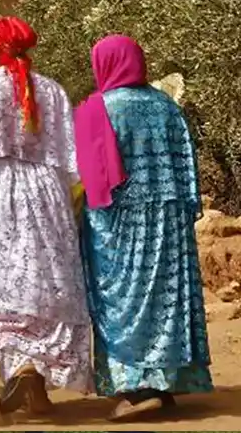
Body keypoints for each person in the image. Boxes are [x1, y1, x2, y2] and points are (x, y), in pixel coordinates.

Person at [0, 16, 92, 415]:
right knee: (45, 286)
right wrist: (70, 211)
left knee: (0, 286)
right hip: (47, 196)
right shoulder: (55, 92)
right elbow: (69, 161)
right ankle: (36, 383)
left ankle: (21, 365)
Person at [75, 34, 212, 419]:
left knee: (123, 300)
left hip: (119, 223)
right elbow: (187, 171)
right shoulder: (168, 108)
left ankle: (136, 387)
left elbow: (86, 178)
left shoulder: (96, 110)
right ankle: (166, 381)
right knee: (166, 300)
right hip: (169, 222)